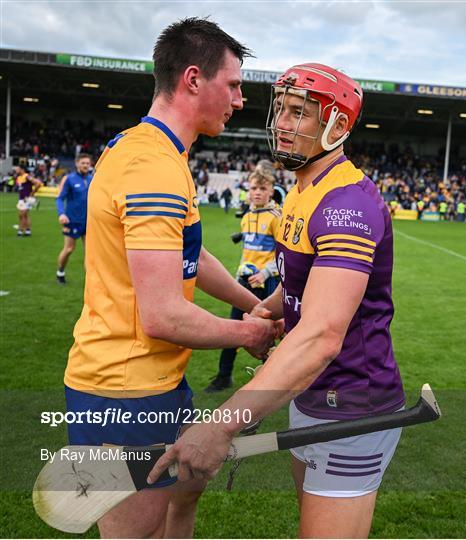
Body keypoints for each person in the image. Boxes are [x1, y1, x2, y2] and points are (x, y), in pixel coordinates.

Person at [150, 63, 406, 539]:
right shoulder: (303, 189)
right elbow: (301, 284)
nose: (282, 123)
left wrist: (221, 425)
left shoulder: (347, 205)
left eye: (299, 113)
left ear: (337, 125)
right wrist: (268, 308)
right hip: (308, 393)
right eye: (281, 110)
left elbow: (322, 335)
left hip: (351, 405)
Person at [63, 18, 280, 539]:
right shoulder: (153, 168)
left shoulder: (150, 150)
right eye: (233, 85)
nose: (241, 99)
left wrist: (249, 301)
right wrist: (250, 333)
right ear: (192, 79)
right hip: (124, 391)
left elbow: (189, 254)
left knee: (166, 523)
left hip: (149, 382)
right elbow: (162, 314)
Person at [205, 169, 281, 392]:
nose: (257, 193)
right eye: (254, 188)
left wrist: (266, 273)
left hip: (267, 283)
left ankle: (274, 383)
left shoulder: (277, 217)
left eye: (262, 189)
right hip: (246, 281)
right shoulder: (247, 217)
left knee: (273, 332)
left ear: (271, 192)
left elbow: (285, 254)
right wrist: (240, 273)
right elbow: (247, 251)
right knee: (234, 327)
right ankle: (223, 376)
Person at [55, 153, 93, 284]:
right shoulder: (69, 179)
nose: (85, 166)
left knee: (90, 254)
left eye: (88, 163)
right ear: (77, 164)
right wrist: (61, 214)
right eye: (83, 163)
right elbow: (60, 198)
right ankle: (60, 271)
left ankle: (90, 281)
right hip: (72, 221)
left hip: (89, 222)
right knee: (69, 249)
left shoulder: (92, 179)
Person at [15, 163, 42, 236]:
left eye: (17, 168)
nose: (16, 170)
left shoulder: (27, 176)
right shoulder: (18, 178)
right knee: (24, 215)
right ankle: (28, 231)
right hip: (21, 199)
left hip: (27, 199)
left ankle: (20, 230)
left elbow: (38, 183)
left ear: (22, 169)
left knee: (23, 214)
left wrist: (32, 193)